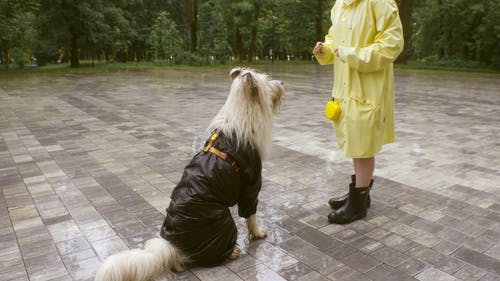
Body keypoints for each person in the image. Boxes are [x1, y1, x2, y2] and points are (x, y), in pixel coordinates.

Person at [313, 0, 404, 224]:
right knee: (355, 140)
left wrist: (351, 54)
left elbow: (391, 45)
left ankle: (358, 203)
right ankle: (359, 190)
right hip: (345, 87)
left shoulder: (380, 3)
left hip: (368, 87)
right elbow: (335, 38)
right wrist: (325, 49)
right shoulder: (340, 5)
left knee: (364, 145)